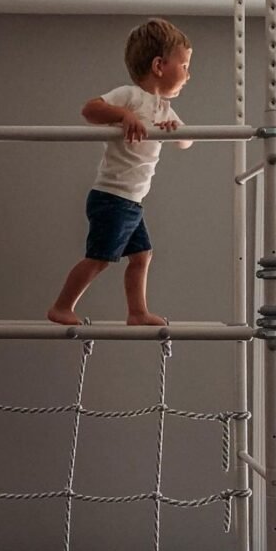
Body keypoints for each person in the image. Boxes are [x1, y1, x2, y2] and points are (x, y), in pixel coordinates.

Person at [47, 18, 192, 327]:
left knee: (142, 256)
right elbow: (90, 110)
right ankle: (62, 306)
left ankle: (137, 312)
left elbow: (186, 142)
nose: (188, 74)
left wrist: (174, 130)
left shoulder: (164, 109)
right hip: (112, 197)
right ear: (159, 66)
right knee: (99, 258)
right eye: (184, 65)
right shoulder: (130, 96)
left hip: (132, 200)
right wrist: (123, 115)